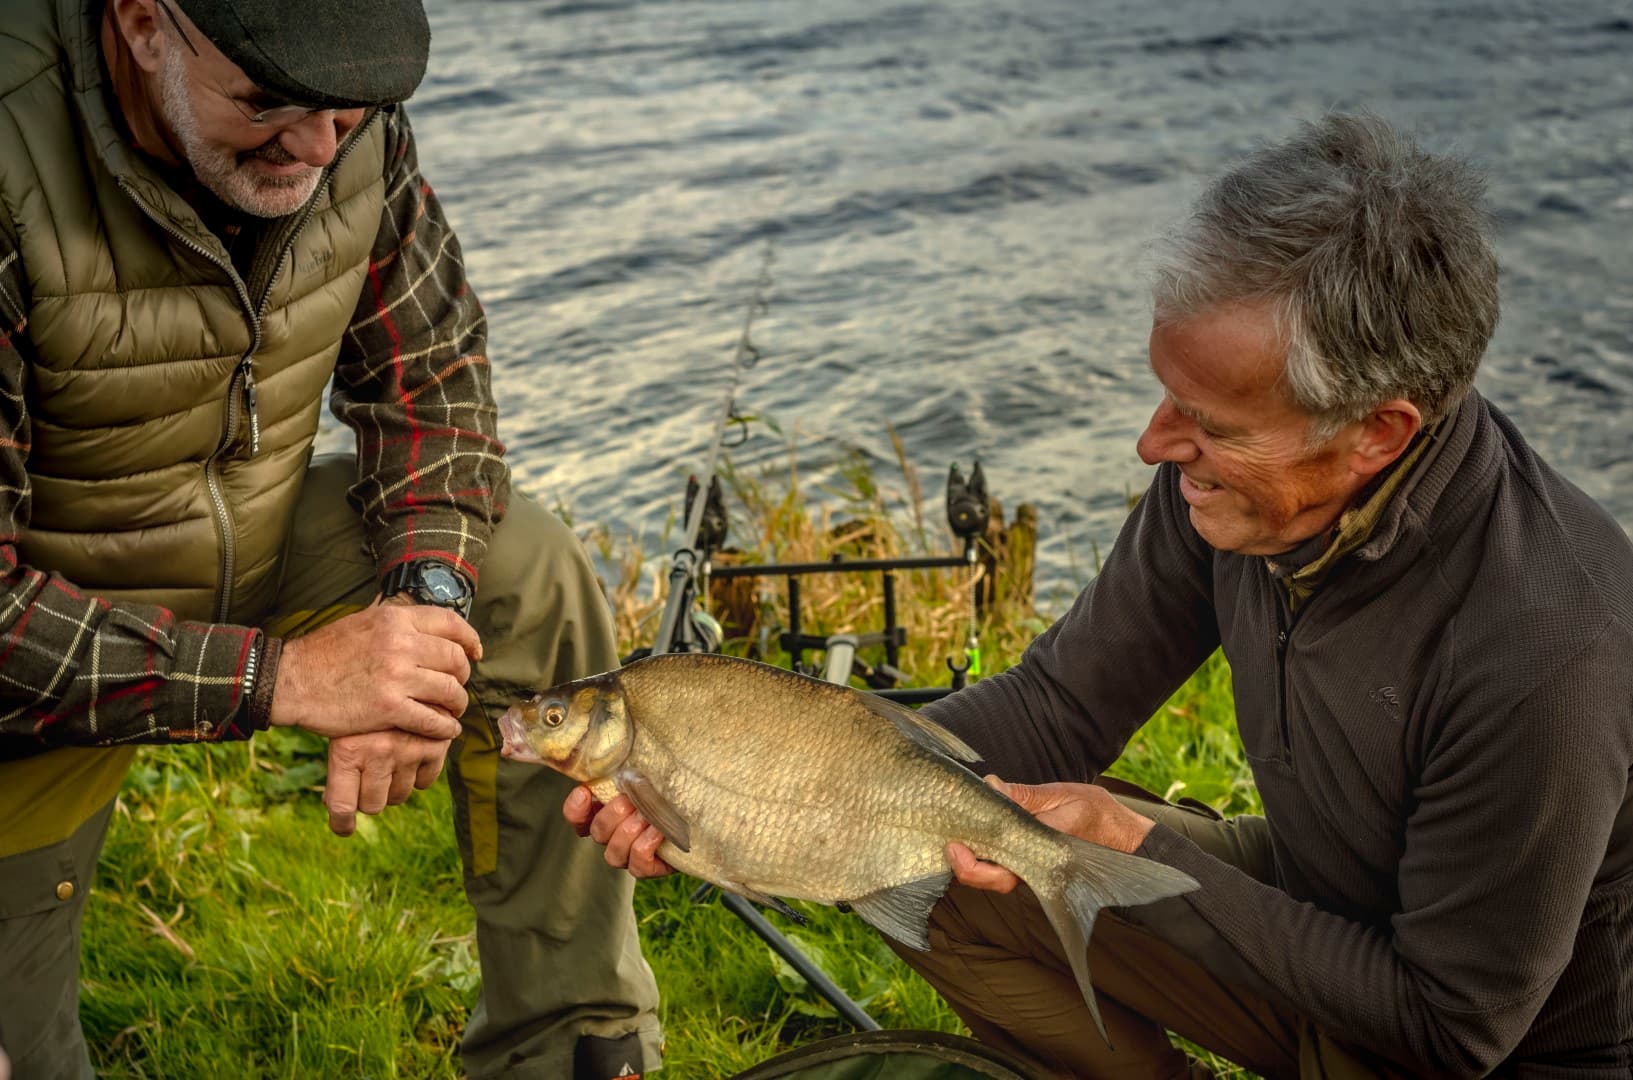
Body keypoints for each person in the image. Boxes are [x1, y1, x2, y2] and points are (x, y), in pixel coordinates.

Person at [570, 112, 1633, 1078]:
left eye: (1212, 424)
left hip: (1475, 1048)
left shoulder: (1547, 647)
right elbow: (1054, 710)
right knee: (951, 875)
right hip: (1323, 889)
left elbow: (1450, 1029)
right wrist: (780, 788)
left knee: (1075, 854)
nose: (1156, 446)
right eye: (1168, 397)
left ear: (1378, 431)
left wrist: (1141, 851)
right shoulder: (1227, 494)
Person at [0, 1, 663, 1077]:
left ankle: (575, 1044)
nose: (317, 146)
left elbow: (435, 385)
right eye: (266, 101)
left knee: (520, 570)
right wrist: (287, 679)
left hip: (239, 557)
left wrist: (421, 624)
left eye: (350, 105)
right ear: (141, 23)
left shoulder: (348, 122)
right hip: (26, 654)